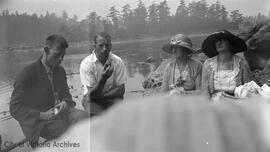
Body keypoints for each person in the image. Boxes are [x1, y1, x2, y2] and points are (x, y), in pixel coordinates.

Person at [9, 34, 89, 148]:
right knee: (68, 131)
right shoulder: (27, 74)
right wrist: (42, 115)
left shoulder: (59, 70)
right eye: (57, 55)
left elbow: (66, 95)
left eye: (63, 55)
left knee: (86, 118)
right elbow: (14, 108)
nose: (61, 58)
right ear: (46, 50)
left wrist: (65, 102)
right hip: (38, 122)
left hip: (59, 113)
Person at [80, 31, 127, 115]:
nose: (105, 49)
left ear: (111, 46)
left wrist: (103, 97)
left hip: (111, 97)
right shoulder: (87, 64)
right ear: (94, 46)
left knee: (120, 114)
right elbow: (92, 93)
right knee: (96, 117)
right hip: (91, 99)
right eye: (101, 45)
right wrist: (103, 78)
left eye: (107, 45)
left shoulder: (117, 61)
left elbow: (121, 89)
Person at [201, 30, 252, 100]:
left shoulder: (241, 63)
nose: (219, 43)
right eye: (217, 41)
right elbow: (205, 91)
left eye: (222, 40)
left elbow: (249, 88)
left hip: (236, 103)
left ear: (230, 44)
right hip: (214, 104)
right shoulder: (208, 64)